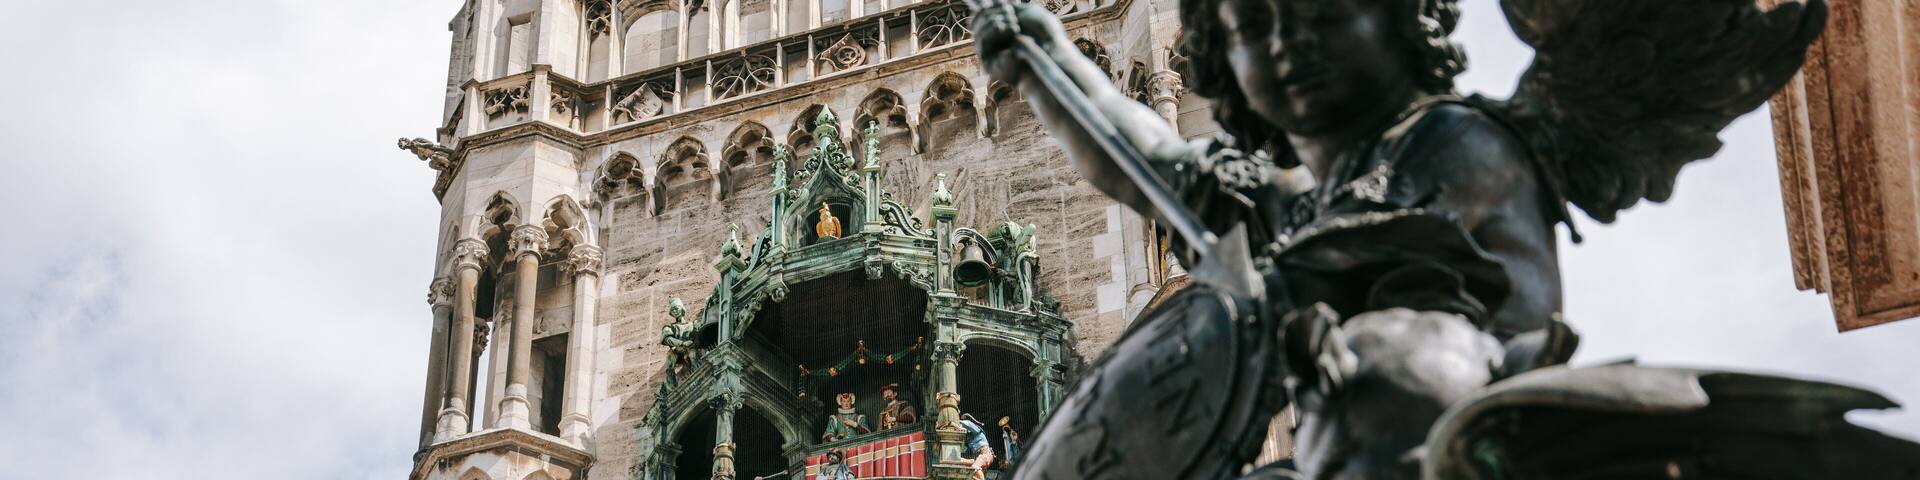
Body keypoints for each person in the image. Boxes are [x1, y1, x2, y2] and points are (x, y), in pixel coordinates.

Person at [956, 413, 994, 480]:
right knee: (961, 461)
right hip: (978, 458)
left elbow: (968, 424)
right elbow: (964, 451)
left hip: (985, 455)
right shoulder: (969, 440)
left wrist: (955, 422)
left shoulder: (977, 430)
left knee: (974, 467)